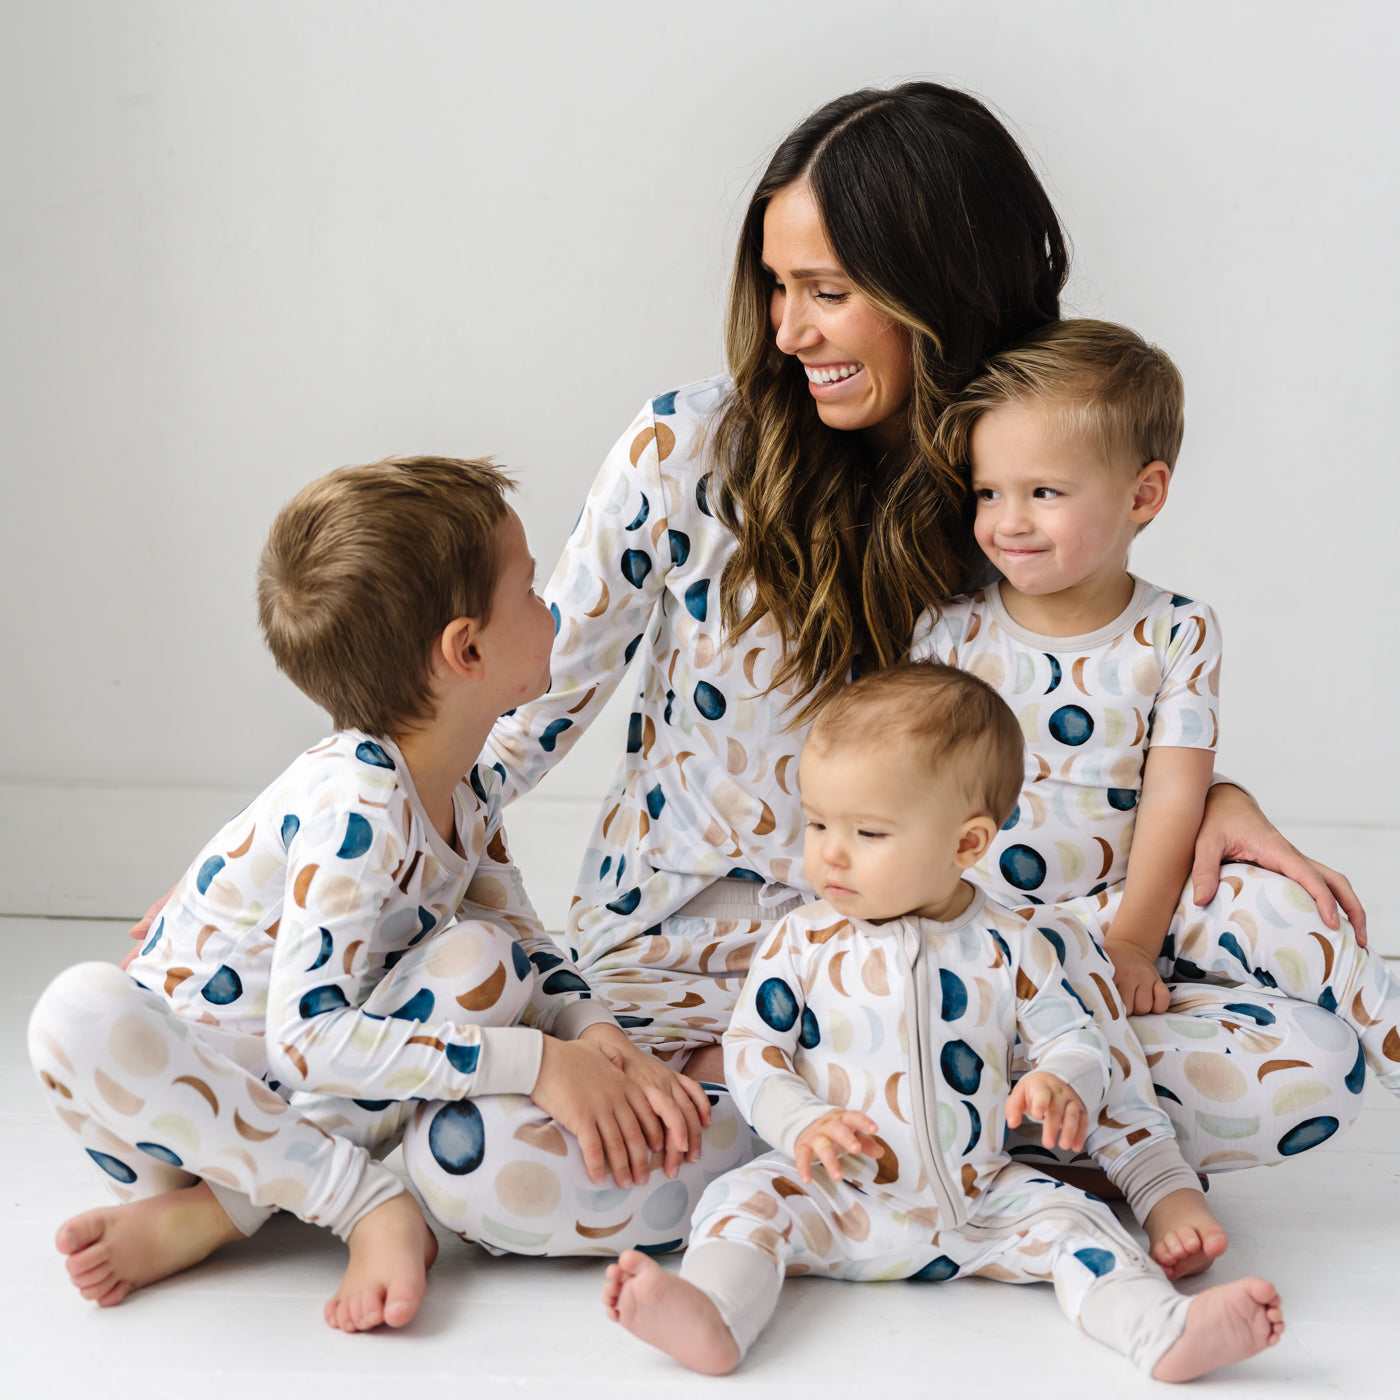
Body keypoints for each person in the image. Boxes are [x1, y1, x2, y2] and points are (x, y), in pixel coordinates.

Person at [465, 82, 1366, 1236]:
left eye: (827, 294)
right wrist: (376, 859)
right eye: (777, 290)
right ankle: (889, 1134)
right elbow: (513, 718)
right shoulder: (684, 450)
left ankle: (874, 1141)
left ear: (941, 292)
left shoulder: (1018, 471)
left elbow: (1074, 703)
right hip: (694, 965)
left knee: (1308, 1033)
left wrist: (1201, 799)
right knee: (490, 1157)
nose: (788, 332)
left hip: (966, 956)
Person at [29, 456, 728, 1331]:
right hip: (172, 1119)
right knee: (73, 1009)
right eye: (528, 589)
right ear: (466, 649)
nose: (551, 605)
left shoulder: (466, 788)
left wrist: (596, 1037)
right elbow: (306, 1037)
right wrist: (538, 1064)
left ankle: (220, 1215)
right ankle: (362, 1204)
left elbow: (526, 945)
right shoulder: (359, 805)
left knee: (487, 956)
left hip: (285, 1122)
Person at [602, 664, 1284, 1382]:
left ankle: (1160, 1330)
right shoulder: (804, 940)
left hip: (980, 1197)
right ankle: (712, 1313)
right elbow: (752, 1052)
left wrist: (1059, 1078)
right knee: (738, 1203)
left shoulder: (1010, 945)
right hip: (834, 1194)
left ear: (966, 843)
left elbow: (1076, 1039)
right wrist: (801, 1122)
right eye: (819, 822)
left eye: (867, 831)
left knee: (1081, 1226)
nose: (830, 851)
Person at [909, 318, 1400, 1142]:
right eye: (989, 492)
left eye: (1045, 492)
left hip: (1133, 908)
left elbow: (1177, 796)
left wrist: (1135, 939)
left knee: (1284, 911)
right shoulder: (948, 633)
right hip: (989, 931)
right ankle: (1042, 1106)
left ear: (1143, 495)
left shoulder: (1176, 630)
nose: (1007, 521)